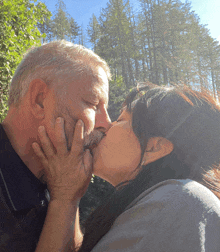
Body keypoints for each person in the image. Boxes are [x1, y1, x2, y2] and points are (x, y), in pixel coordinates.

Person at [33, 83, 220, 252]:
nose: (106, 125)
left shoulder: (175, 202)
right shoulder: (171, 201)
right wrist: (69, 195)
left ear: (154, 147)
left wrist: (64, 196)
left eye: (120, 120)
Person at [0, 40, 112, 251]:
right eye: (93, 104)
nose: (107, 124)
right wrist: (65, 198)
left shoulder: (57, 174)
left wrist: (68, 198)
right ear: (40, 100)